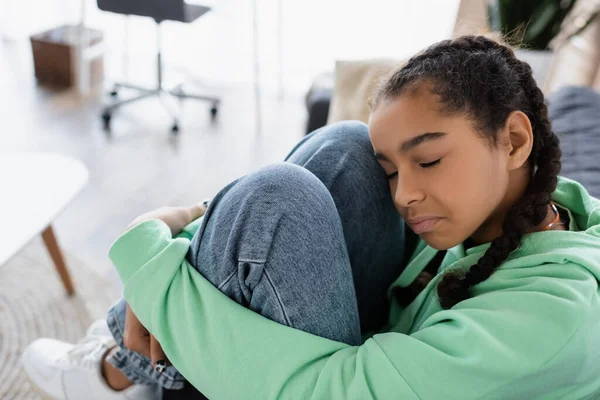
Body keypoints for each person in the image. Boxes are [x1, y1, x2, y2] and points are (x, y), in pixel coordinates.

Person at [23, 35, 600, 399]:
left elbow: (331, 391)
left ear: (516, 138)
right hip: (397, 350)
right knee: (347, 150)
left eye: (427, 159)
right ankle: (132, 359)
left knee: (275, 200)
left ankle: (122, 371)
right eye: (396, 171)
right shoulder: (538, 209)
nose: (404, 195)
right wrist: (193, 213)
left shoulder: (555, 319)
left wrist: (149, 249)